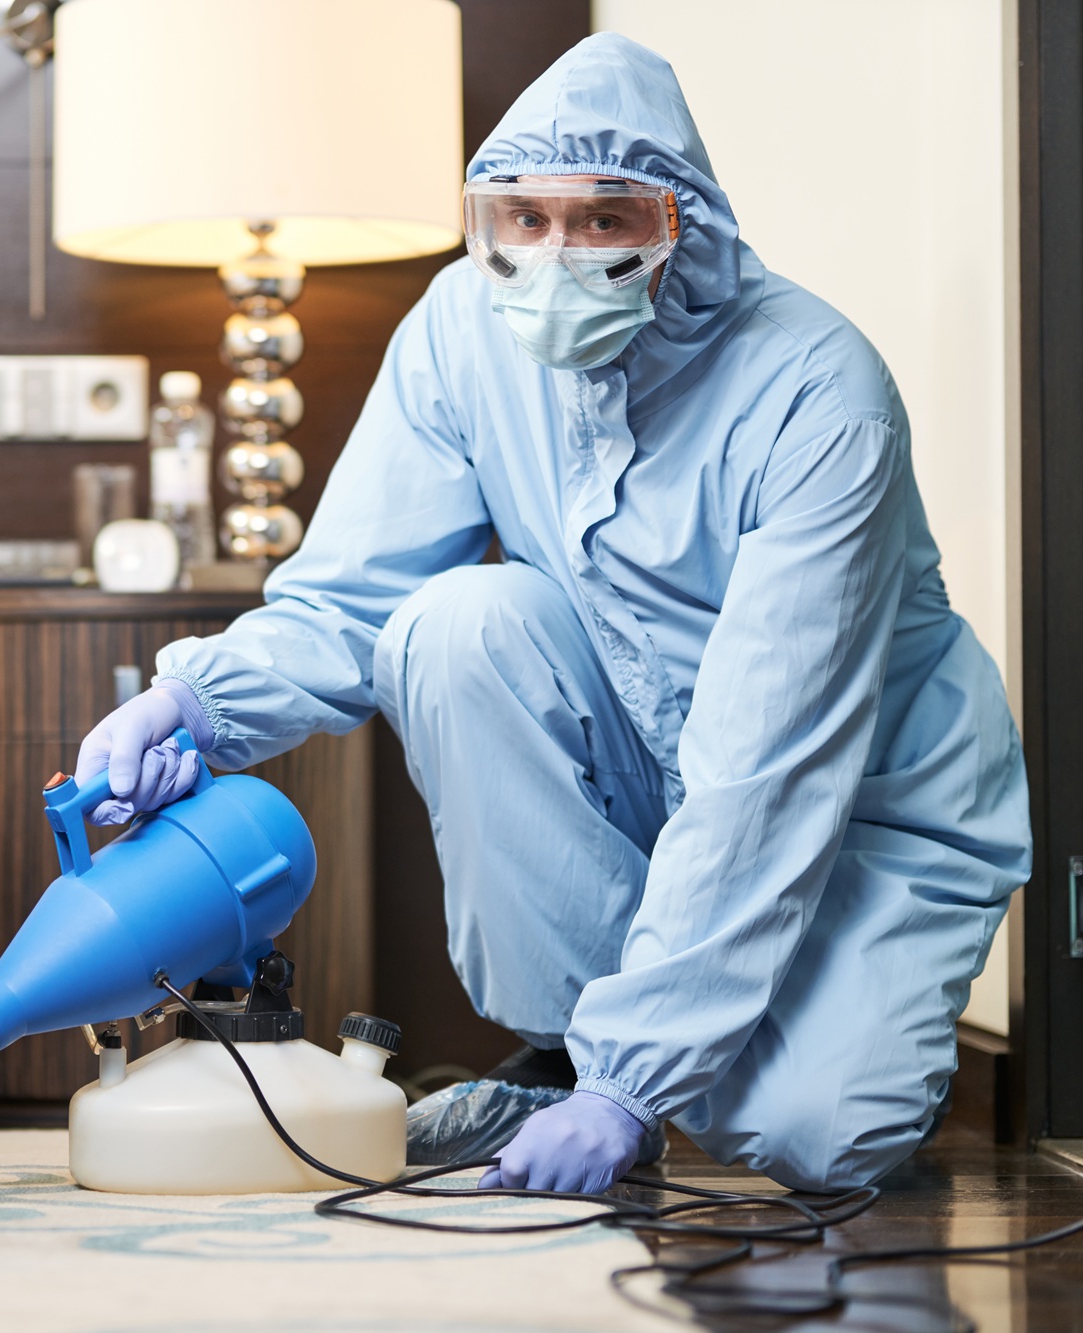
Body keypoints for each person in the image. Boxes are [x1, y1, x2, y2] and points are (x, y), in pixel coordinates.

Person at [72, 32, 1031, 1195]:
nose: (555, 254)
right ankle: (569, 1054)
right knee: (454, 623)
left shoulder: (818, 391)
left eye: (602, 219)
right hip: (646, 763)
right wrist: (191, 702)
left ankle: (631, 1068)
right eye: (522, 219)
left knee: (818, 1135)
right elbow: (352, 601)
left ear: (681, 222)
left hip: (861, 805)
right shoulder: (454, 329)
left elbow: (763, 765)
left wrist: (635, 1084)